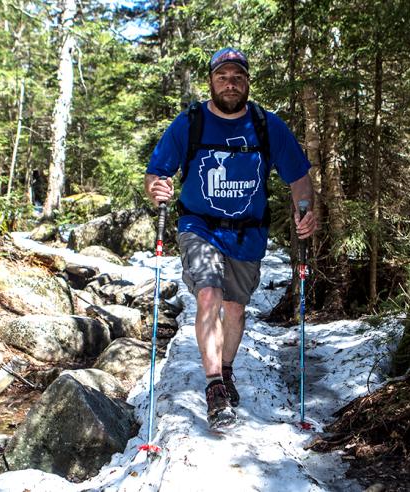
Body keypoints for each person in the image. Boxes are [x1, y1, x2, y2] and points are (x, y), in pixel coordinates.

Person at [144, 47, 317, 428]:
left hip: (247, 235)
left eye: (237, 76)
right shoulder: (190, 123)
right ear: (211, 82)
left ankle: (225, 369)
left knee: (235, 310)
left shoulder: (268, 126)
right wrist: (157, 187)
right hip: (198, 227)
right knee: (208, 294)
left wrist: (304, 208)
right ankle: (214, 387)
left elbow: (298, 178)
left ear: (247, 82)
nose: (230, 83)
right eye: (222, 76)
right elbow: (156, 172)